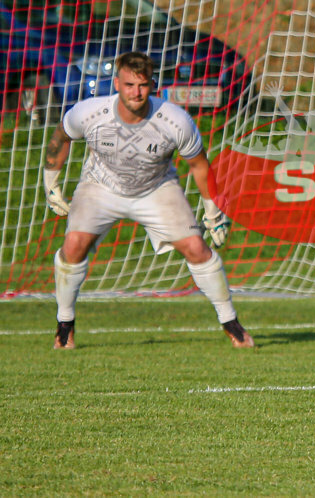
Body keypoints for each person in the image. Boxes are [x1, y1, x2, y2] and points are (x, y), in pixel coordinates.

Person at [42, 51, 254, 350]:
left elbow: (199, 165)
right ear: (116, 83)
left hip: (157, 189)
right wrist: (50, 184)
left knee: (197, 248)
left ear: (152, 85)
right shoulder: (88, 112)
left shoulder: (175, 120)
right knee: (73, 246)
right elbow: (60, 138)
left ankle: (232, 324)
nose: (135, 92)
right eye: (129, 84)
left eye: (142, 85)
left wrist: (212, 210)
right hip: (100, 187)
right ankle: (65, 327)